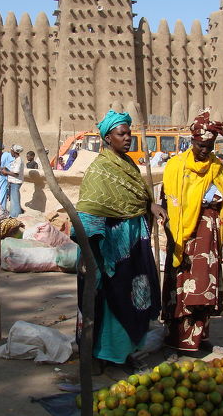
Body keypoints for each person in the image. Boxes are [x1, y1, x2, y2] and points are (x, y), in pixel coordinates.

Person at [75, 110, 166, 370]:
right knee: (107, 299)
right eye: (121, 133)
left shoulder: (128, 164)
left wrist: (151, 206)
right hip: (110, 247)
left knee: (133, 297)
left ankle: (125, 351)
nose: (128, 138)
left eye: (129, 133)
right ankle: (98, 355)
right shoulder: (99, 169)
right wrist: (92, 249)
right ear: (107, 137)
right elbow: (89, 208)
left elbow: (137, 197)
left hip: (134, 244)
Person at [162, 108, 223, 353]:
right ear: (192, 140)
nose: (205, 150)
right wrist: (174, 233)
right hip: (185, 237)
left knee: (206, 285)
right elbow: (168, 201)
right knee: (183, 285)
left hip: (210, 237)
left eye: (210, 145)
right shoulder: (176, 166)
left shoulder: (218, 168)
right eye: (201, 145)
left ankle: (201, 335)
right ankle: (179, 338)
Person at [2, 144, 25, 217]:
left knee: (15, 200)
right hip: (13, 182)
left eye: (11, 151)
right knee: (14, 199)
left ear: (14, 151)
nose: (10, 152)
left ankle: (16, 215)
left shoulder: (18, 160)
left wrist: (6, 172)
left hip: (16, 182)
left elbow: (16, 174)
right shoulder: (16, 160)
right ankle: (14, 214)